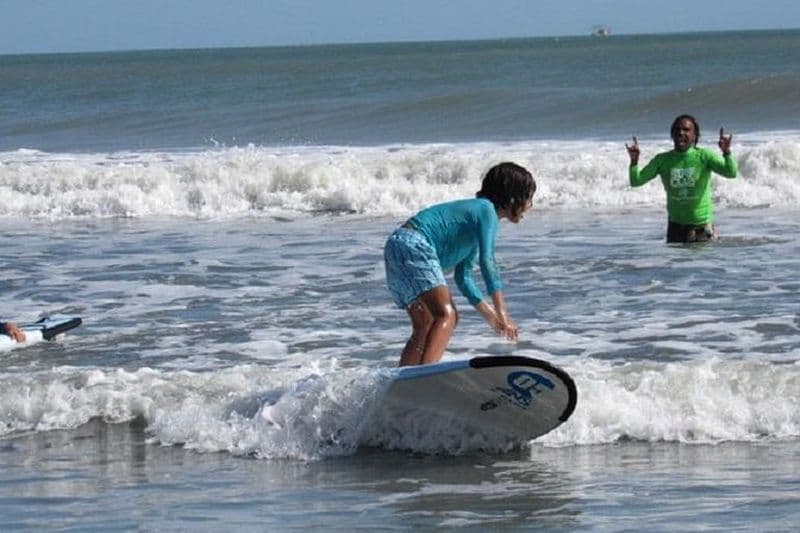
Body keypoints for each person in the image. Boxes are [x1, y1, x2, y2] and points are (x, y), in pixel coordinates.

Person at [384, 161, 536, 367]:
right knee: (447, 315)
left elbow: (463, 277)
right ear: (512, 197)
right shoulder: (487, 210)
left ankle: (403, 380)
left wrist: (491, 317)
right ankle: (425, 377)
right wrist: (503, 312)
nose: (530, 205)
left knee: (425, 323)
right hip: (416, 242)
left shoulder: (474, 219)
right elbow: (488, 261)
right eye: (528, 197)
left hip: (397, 244)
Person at [626, 114, 738, 243]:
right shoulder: (662, 160)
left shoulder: (704, 156)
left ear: (694, 136)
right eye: (677, 130)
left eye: (686, 130)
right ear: (672, 134)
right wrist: (634, 161)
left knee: (704, 263)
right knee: (675, 262)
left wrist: (726, 152)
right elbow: (636, 181)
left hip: (702, 227)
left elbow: (731, 172)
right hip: (675, 228)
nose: (681, 133)